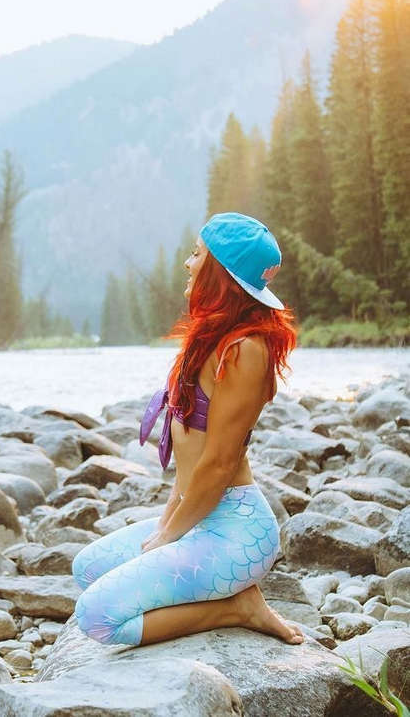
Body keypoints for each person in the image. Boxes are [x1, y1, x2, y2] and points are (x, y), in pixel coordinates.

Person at [72, 212, 305, 647]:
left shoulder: (245, 350)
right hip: (200, 519)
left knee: (98, 619)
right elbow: (188, 468)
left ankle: (237, 606)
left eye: (197, 254)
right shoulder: (211, 339)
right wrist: (166, 525)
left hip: (236, 532)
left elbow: (218, 463)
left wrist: (167, 536)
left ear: (220, 272)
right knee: (86, 568)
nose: (187, 263)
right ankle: (220, 593)